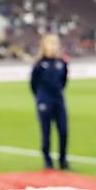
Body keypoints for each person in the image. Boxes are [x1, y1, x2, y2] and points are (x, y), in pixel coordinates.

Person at [31, 33, 70, 170]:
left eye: (56, 42)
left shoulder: (62, 63)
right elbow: (33, 84)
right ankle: (48, 162)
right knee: (46, 133)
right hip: (44, 102)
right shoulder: (39, 64)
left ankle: (63, 161)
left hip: (59, 100)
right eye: (51, 42)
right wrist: (41, 98)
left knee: (63, 131)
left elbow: (64, 81)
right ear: (44, 45)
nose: (54, 45)